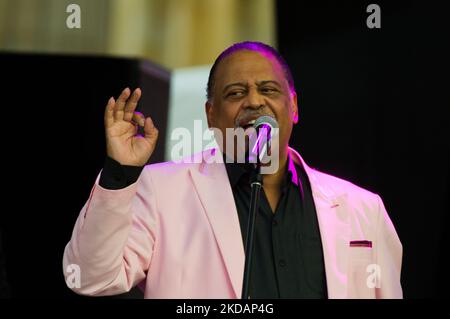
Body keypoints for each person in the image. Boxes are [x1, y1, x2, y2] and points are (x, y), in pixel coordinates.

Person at [63, 41, 402, 298]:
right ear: (211, 115)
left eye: (268, 89)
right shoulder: (162, 189)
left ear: (293, 106)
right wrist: (119, 172)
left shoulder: (362, 208)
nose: (254, 101)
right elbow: (91, 278)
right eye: (236, 92)